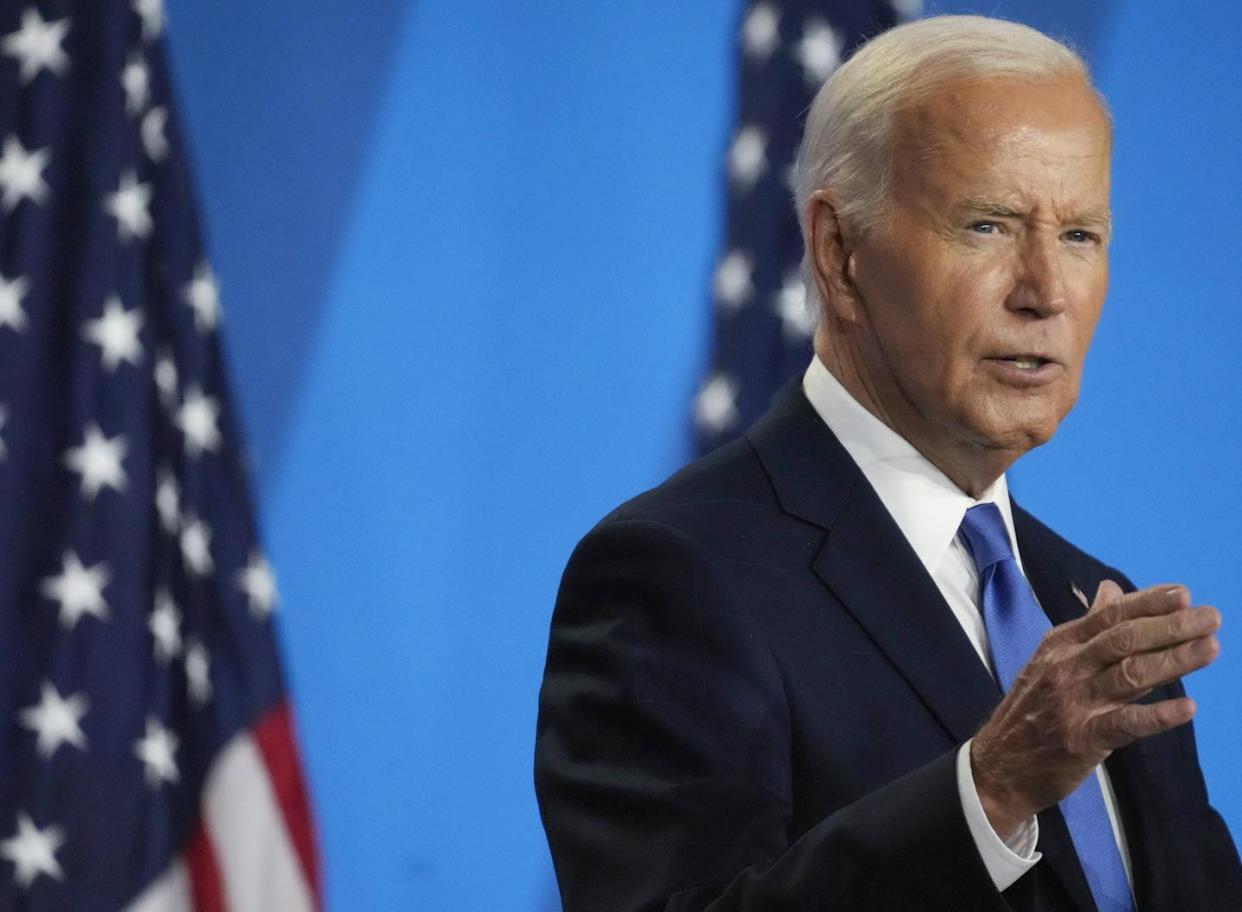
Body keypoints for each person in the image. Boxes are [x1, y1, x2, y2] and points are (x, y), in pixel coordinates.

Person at [534, 15, 1242, 912]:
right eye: (989, 225)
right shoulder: (678, 574)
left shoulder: (1091, 607)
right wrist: (985, 793)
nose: (1045, 293)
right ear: (840, 253)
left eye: (1080, 236)